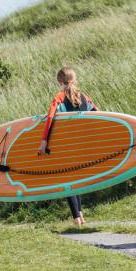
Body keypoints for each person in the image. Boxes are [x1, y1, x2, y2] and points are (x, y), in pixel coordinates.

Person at [38, 67, 98, 225]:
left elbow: (50, 118)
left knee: (67, 179)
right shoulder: (84, 97)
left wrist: (44, 142)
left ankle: (76, 218)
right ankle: (81, 216)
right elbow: (98, 114)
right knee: (76, 178)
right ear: (75, 79)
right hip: (83, 145)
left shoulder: (59, 97)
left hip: (66, 145)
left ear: (59, 82)